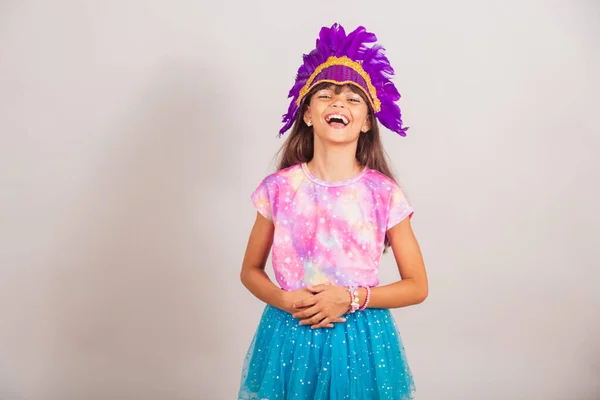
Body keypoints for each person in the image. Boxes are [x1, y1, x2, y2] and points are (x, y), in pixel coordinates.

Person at [238, 23, 428, 400]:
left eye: (353, 100)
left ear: (366, 122)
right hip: (290, 335)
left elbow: (417, 286)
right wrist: (284, 299)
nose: (339, 103)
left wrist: (352, 298)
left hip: (358, 340)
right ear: (307, 114)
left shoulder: (383, 194)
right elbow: (250, 271)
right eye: (325, 95)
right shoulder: (278, 190)